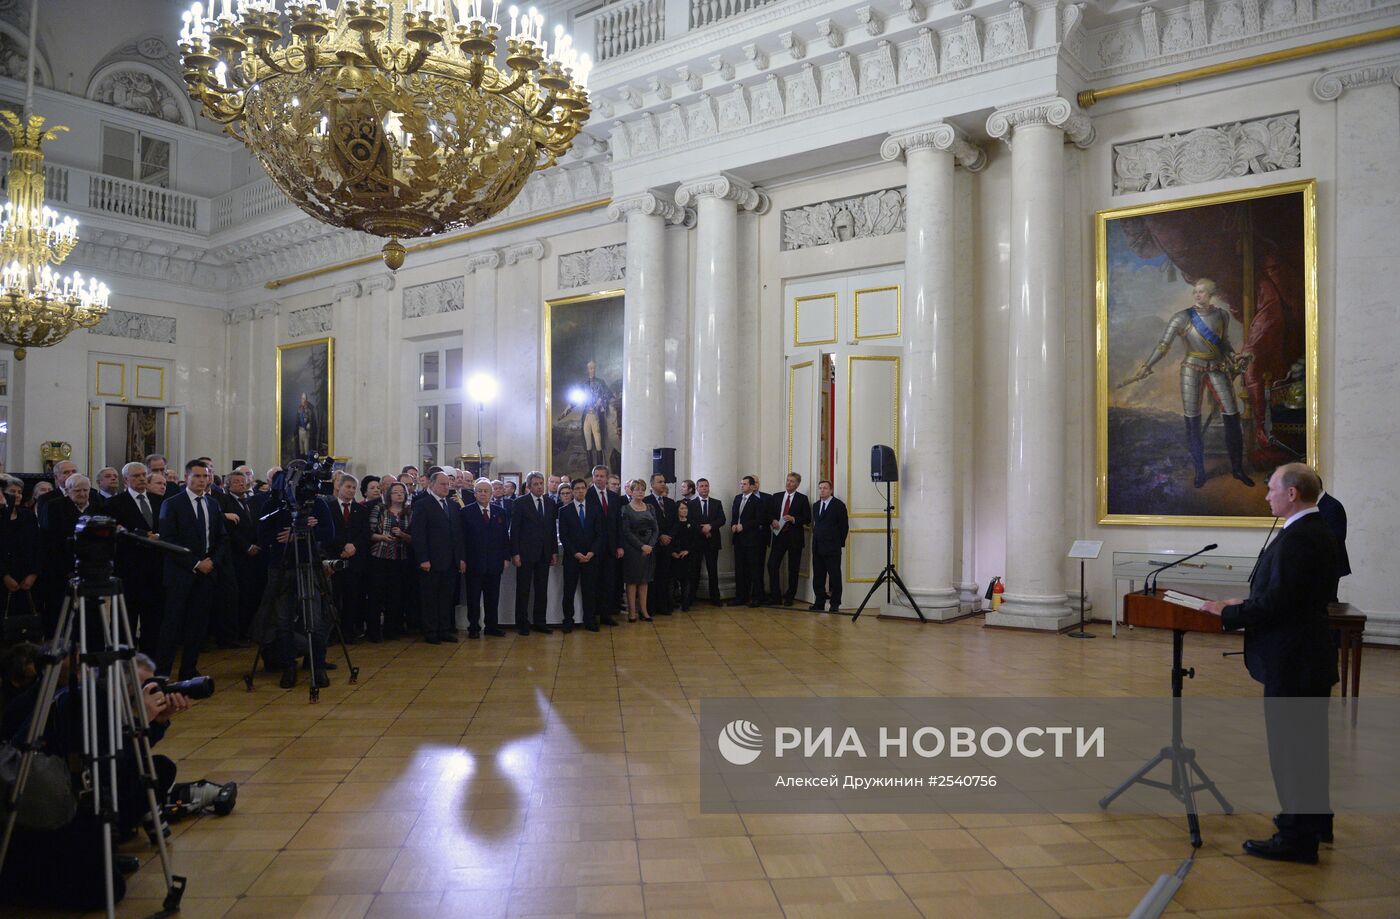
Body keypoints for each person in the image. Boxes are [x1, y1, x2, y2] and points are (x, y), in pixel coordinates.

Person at [1202, 463, 1340, 864]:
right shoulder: (1312, 531)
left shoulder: (1300, 538)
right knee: (1308, 747)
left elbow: (1280, 603)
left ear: (1293, 493)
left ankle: (1296, 838)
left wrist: (1229, 615)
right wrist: (1240, 603)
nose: (1266, 496)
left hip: (1293, 660)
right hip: (1305, 657)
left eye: (1272, 489)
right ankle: (1316, 822)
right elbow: (1288, 593)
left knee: (1292, 751)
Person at [1125, 277, 1255, 489]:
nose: (1197, 295)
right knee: (1193, 421)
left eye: (1202, 292)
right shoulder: (1181, 318)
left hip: (1217, 368)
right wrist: (1147, 366)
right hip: (1191, 370)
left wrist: (1235, 357)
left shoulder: (1222, 316)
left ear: (1211, 295)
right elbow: (1163, 345)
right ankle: (1200, 471)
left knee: (1232, 417)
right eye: (1195, 291)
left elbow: (1224, 345)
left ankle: (1237, 469)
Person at [252, 481, 336, 688]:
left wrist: (301, 533)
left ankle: (318, 667)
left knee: (314, 618)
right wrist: (290, 534)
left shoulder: (316, 503)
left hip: (309, 564)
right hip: (281, 566)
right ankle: (289, 666)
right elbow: (262, 536)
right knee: (283, 619)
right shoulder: (274, 504)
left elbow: (329, 533)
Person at [156, 460, 224, 681]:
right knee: (172, 625)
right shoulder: (173, 503)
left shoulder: (213, 504)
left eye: (205, 476)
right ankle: (163, 672)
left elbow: (221, 538)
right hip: (180, 574)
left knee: (198, 625)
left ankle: (189, 669)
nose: (202, 480)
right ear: (187, 478)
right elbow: (168, 540)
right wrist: (195, 563)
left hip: (207, 574)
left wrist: (212, 562)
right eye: (197, 476)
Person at [104, 462, 167, 649]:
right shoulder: (114, 503)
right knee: (125, 621)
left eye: (143, 475)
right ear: (126, 479)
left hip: (155, 570)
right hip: (128, 570)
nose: (141, 478)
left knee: (153, 621)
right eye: (136, 476)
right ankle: (123, 664)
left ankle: (149, 666)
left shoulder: (158, 501)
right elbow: (114, 534)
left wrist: (159, 536)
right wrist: (141, 536)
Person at [411, 471, 465, 644]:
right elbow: (418, 535)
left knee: (446, 597)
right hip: (431, 561)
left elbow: (458, 535)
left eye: (448, 484)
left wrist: (460, 558)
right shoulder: (422, 505)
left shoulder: (453, 506)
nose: (446, 487)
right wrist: (423, 559)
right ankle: (431, 631)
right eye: (442, 484)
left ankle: (444, 629)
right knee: (430, 598)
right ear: (432, 485)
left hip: (450, 561)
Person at [219, 470, 265, 642]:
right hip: (236, 555)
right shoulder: (225, 502)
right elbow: (229, 531)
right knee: (236, 597)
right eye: (237, 481)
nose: (241, 484)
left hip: (253, 556)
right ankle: (233, 635)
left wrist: (258, 544)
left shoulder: (251, 502)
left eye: (243, 481)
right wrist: (246, 547)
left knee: (250, 595)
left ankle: (248, 631)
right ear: (228, 484)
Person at [462, 478, 510, 638]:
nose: (483, 494)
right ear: (475, 494)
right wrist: (463, 559)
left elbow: (504, 537)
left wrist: (505, 557)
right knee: (474, 597)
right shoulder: (466, 512)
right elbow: (462, 539)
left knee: (492, 596)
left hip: (495, 562)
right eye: (480, 491)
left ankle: (492, 626)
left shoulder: (500, 512)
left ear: (491, 494)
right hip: (474, 562)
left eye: (486, 491)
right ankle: (474, 627)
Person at [510, 472, 557, 635]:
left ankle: (540, 621)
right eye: (536, 484)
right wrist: (515, 552)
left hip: (544, 553)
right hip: (525, 553)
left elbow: (551, 530)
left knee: (541, 589)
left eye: (541, 483)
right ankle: (522, 623)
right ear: (529, 486)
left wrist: (553, 552)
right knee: (523, 590)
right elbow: (514, 530)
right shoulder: (520, 503)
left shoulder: (550, 503)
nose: (539, 486)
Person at [558, 478, 605, 632]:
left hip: (591, 557)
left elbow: (600, 534)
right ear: (572, 491)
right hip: (572, 557)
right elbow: (564, 536)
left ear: (586, 490)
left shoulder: (595, 509)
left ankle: (590, 620)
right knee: (569, 591)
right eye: (576, 488)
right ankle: (568, 620)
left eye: (582, 488)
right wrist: (575, 553)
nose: (579, 491)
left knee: (589, 591)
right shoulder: (564, 511)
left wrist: (592, 552)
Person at [368, 482, 413, 640]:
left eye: (402, 492)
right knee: (377, 594)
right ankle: (373, 632)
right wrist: (382, 537)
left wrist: (402, 534)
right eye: (395, 492)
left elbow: (413, 538)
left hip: (400, 557)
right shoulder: (380, 509)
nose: (399, 495)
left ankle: (391, 629)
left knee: (396, 595)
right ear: (389, 495)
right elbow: (370, 533)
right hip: (380, 555)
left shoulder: (409, 512)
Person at [328, 475, 370, 642]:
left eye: (354, 488)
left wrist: (353, 546)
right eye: (348, 487)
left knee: (351, 597)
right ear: (339, 487)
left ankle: (348, 632)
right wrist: (342, 546)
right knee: (334, 597)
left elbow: (365, 533)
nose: (351, 490)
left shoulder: (361, 510)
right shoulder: (328, 507)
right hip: (334, 558)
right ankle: (332, 633)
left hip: (354, 559)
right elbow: (328, 532)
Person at [557, 359, 616, 471]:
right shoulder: (584, 385)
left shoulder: (601, 382)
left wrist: (601, 400)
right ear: (587, 370)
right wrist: (565, 412)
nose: (592, 370)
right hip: (587, 416)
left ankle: (599, 470)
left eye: (593, 368)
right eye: (590, 368)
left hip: (596, 416)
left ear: (596, 369)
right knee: (588, 443)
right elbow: (575, 400)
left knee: (598, 444)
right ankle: (590, 470)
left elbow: (608, 395)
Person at [766, 472, 811, 606]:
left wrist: (794, 519)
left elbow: (807, 518)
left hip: (794, 538)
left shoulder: (802, 499)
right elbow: (769, 513)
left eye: (792, 481)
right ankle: (776, 596)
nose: (789, 483)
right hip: (779, 536)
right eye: (788, 480)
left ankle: (790, 596)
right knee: (772, 565)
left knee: (793, 568)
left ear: (797, 484)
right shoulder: (777, 496)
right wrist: (772, 520)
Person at [1, 476, 40, 630]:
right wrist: (4, 575)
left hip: (27, 578)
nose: (17, 495)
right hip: (4, 577)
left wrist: (33, 574)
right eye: (12, 491)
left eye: (19, 492)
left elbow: (38, 546)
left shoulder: (28, 516)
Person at [585, 464, 622, 626]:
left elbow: (618, 524)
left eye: (602, 476)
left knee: (608, 582)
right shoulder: (587, 495)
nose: (599, 478)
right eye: (597, 476)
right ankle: (591, 617)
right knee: (593, 583)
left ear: (607, 478)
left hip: (611, 547)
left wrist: (619, 546)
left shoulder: (614, 498)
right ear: (593, 478)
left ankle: (606, 615)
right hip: (593, 547)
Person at [620, 478, 659, 622]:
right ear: (631, 491)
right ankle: (632, 612)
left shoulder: (650, 507)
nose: (640, 492)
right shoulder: (625, 509)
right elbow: (626, 532)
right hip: (633, 549)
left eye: (642, 489)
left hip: (649, 549)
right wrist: (641, 546)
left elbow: (655, 529)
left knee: (644, 580)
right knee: (632, 581)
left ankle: (644, 611)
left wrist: (650, 545)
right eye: (637, 489)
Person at [809, 480, 849, 612]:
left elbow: (844, 527)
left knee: (835, 576)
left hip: (832, 547)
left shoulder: (838, 505)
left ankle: (835, 603)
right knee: (818, 576)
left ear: (831, 490)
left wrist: (838, 543)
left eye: (825, 488)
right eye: (820, 488)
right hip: (818, 547)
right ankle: (819, 602)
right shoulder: (815, 506)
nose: (822, 490)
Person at [730, 475, 766, 607]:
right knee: (740, 569)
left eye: (745, 484)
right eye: (741, 484)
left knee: (753, 569)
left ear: (751, 486)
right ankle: (740, 597)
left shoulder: (757, 501)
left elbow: (759, 520)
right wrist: (733, 524)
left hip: (752, 540)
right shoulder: (737, 498)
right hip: (738, 539)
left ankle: (756, 597)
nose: (742, 486)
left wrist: (743, 526)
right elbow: (735, 515)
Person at [689, 478, 726, 606]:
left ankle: (715, 598)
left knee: (712, 570)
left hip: (712, 541)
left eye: (706, 486)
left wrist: (710, 526)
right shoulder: (691, 504)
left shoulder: (717, 503)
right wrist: (702, 530)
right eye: (701, 486)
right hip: (697, 542)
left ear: (709, 487)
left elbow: (722, 519)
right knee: (694, 570)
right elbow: (691, 521)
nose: (704, 488)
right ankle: (691, 598)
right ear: (697, 488)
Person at [644, 474, 677, 614]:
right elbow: (647, 523)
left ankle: (663, 605)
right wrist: (659, 537)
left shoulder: (670, 502)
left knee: (665, 576)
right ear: (652, 485)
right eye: (660, 482)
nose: (663, 484)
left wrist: (669, 536)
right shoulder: (646, 501)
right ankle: (650, 607)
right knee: (652, 576)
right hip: (654, 544)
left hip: (667, 544)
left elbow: (676, 522)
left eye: (664, 481)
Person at [666, 499, 698, 611]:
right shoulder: (673, 523)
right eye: (682, 508)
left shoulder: (692, 523)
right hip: (674, 556)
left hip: (687, 556)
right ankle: (670, 604)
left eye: (686, 508)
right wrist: (672, 552)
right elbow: (670, 539)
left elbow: (695, 540)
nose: (684, 511)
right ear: (677, 510)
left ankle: (686, 604)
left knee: (686, 581)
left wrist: (688, 551)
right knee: (671, 581)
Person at [1315, 479, 1350, 582]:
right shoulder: (1310, 505)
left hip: (1329, 566)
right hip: (1312, 566)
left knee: (1327, 598)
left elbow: (1337, 537)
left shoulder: (1333, 506)